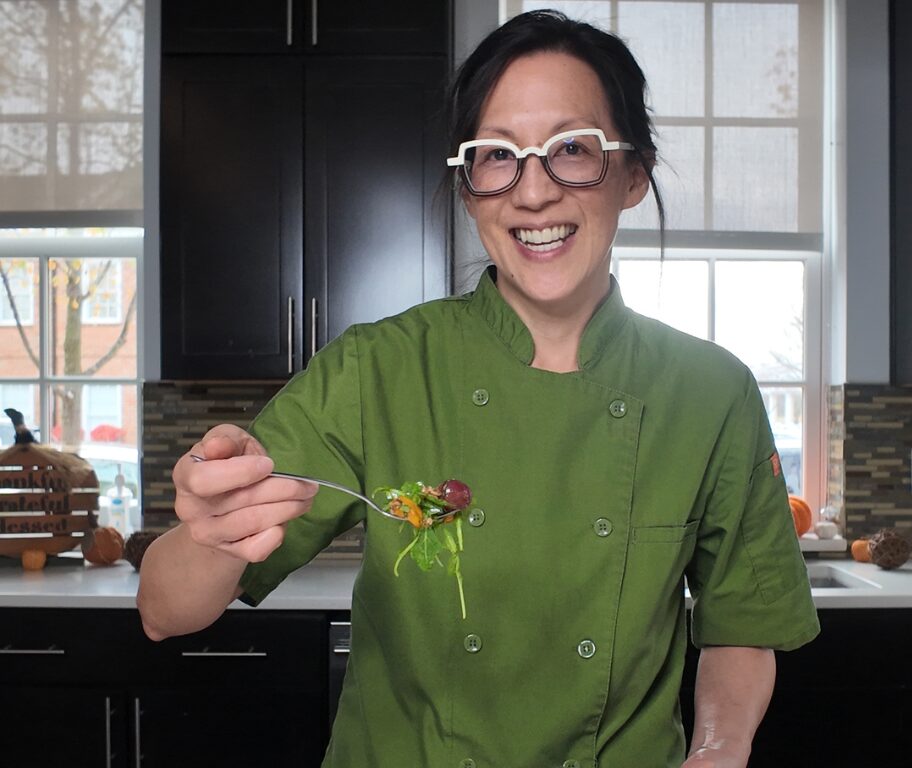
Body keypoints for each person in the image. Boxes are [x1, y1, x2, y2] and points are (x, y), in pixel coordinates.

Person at [137, 10, 819, 768]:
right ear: (469, 189)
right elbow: (165, 611)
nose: (533, 193)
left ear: (632, 176)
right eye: (497, 156)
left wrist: (720, 748)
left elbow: (742, 620)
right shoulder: (379, 369)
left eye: (571, 149)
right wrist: (210, 532)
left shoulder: (710, 392)